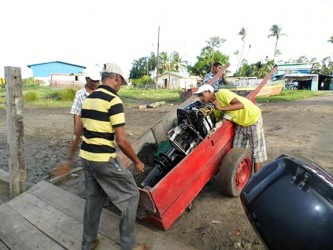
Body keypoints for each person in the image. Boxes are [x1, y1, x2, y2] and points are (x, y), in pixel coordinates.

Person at [79, 62, 146, 250]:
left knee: (94, 199)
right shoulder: (113, 100)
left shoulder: (89, 98)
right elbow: (122, 141)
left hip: (86, 157)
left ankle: (88, 243)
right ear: (116, 78)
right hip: (103, 160)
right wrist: (137, 161)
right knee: (131, 194)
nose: (120, 86)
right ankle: (128, 245)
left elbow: (80, 129)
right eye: (121, 82)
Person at [194, 84, 267, 173]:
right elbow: (222, 120)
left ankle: (257, 178)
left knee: (256, 152)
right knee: (236, 151)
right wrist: (212, 131)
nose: (201, 98)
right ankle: (242, 173)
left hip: (252, 118)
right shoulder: (213, 107)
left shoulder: (222, 93)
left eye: (202, 95)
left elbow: (240, 105)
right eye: (199, 96)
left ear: (209, 92)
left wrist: (221, 108)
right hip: (240, 123)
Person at [52, 65, 101, 177]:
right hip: (84, 125)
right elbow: (77, 112)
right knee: (81, 145)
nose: (95, 83)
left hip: (97, 126)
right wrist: (77, 130)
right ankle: (75, 163)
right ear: (87, 79)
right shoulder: (80, 94)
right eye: (93, 81)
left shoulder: (100, 93)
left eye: (97, 81)